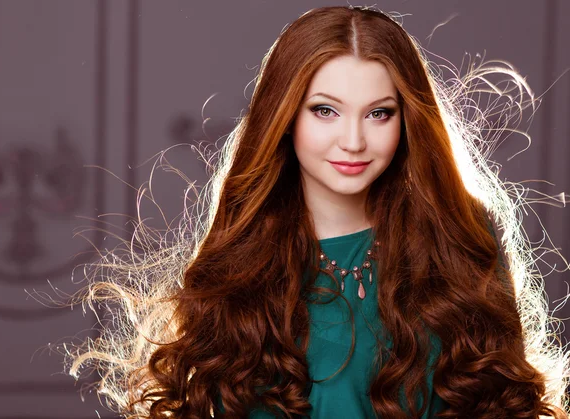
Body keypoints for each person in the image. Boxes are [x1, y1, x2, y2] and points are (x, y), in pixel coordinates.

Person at [65, 5, 570, 418]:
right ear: (285, 116)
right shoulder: (241, 255)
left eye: (379, 113)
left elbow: (506, 404)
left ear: (407, 120)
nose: (353, 141)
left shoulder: (460, 234)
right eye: (325, 110)